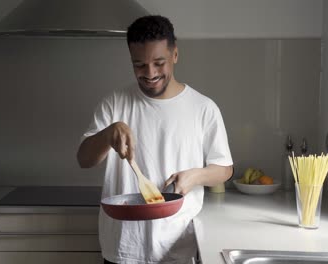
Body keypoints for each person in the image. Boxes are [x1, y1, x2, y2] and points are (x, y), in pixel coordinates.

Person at [77, 15, 233, 264]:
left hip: (178, 245)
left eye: (159, 63)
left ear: (175, 55)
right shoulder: (115, 103)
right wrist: (108, 134)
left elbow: (224, 168)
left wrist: (195, 176)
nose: (149, 73)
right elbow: (84, 159)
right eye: (139, 65)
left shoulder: (203, 108)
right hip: (123, 247)